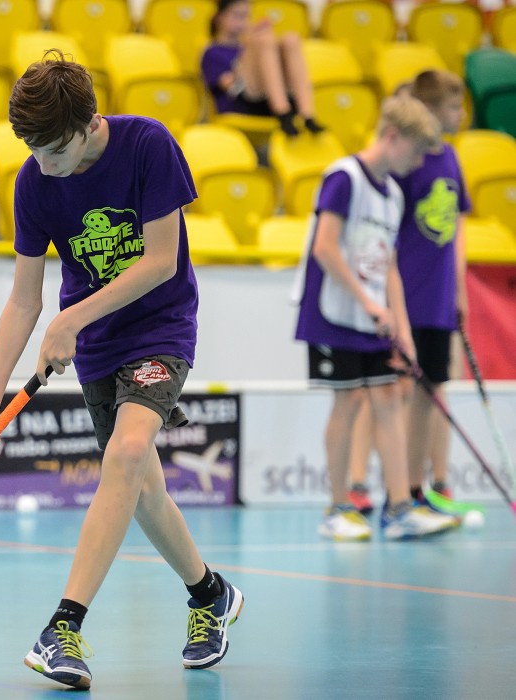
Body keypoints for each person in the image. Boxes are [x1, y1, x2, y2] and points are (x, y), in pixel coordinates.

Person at [0, 49, 243, 691]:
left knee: (126, 455)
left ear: (90, 124)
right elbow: (24, 300)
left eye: (54, 150)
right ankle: (210, 596)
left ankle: (64, 627)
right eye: (32, 150)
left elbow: (160, 261)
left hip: (160, 329)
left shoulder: (148, 144)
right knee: (143, 489)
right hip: (96, 346)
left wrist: (71, 320)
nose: (44, 165)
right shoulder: (33, 182)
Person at [293, 93, 459, 541]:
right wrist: (368, 304)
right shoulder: (344, 178)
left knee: (387, 398)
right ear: (392, 136)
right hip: (332, 311)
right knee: (348, 402)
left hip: (372, 317)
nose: (420, 161)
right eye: (417, 150)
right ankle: (337, 507)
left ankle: (400, 508)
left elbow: (389, 268)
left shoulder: (394, 196)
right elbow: (324, 248)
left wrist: (403, 330)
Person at [346, 70, 471, 515]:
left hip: (438, 298)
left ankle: (416, 490)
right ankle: (359, 484)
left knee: (428, 392)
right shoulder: (402, 165)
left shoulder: (450, 157)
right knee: (383, 389)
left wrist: (460, 292)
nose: (460, 115)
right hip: (402, 296)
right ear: (428, 112)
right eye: (453, 108)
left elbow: (457, 228)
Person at [200, 0, 324, 137]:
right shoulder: (213, 52)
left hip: (267, 98)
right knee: (265, 39)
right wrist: (250, 48)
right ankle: (282, 111)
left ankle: (307, 114)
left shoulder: (247, 44)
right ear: (219, 17)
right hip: (242, 103)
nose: (242, 22)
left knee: (291, 40)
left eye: (246, 16)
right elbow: (228, 85)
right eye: (236, 15)